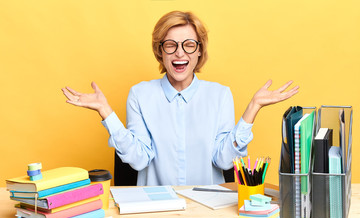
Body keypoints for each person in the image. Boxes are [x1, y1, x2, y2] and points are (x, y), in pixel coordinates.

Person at [62, 11, 299, 186]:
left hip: (207, 207)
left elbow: (224, 160)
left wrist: (253, 108)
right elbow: (139, 160)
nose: (179, 53)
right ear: (160, 51)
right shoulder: (139, 94)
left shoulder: (220, 95)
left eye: (188, 45)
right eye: (170, 45)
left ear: (199, 51)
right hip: (155, 208)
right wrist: (106, 112)